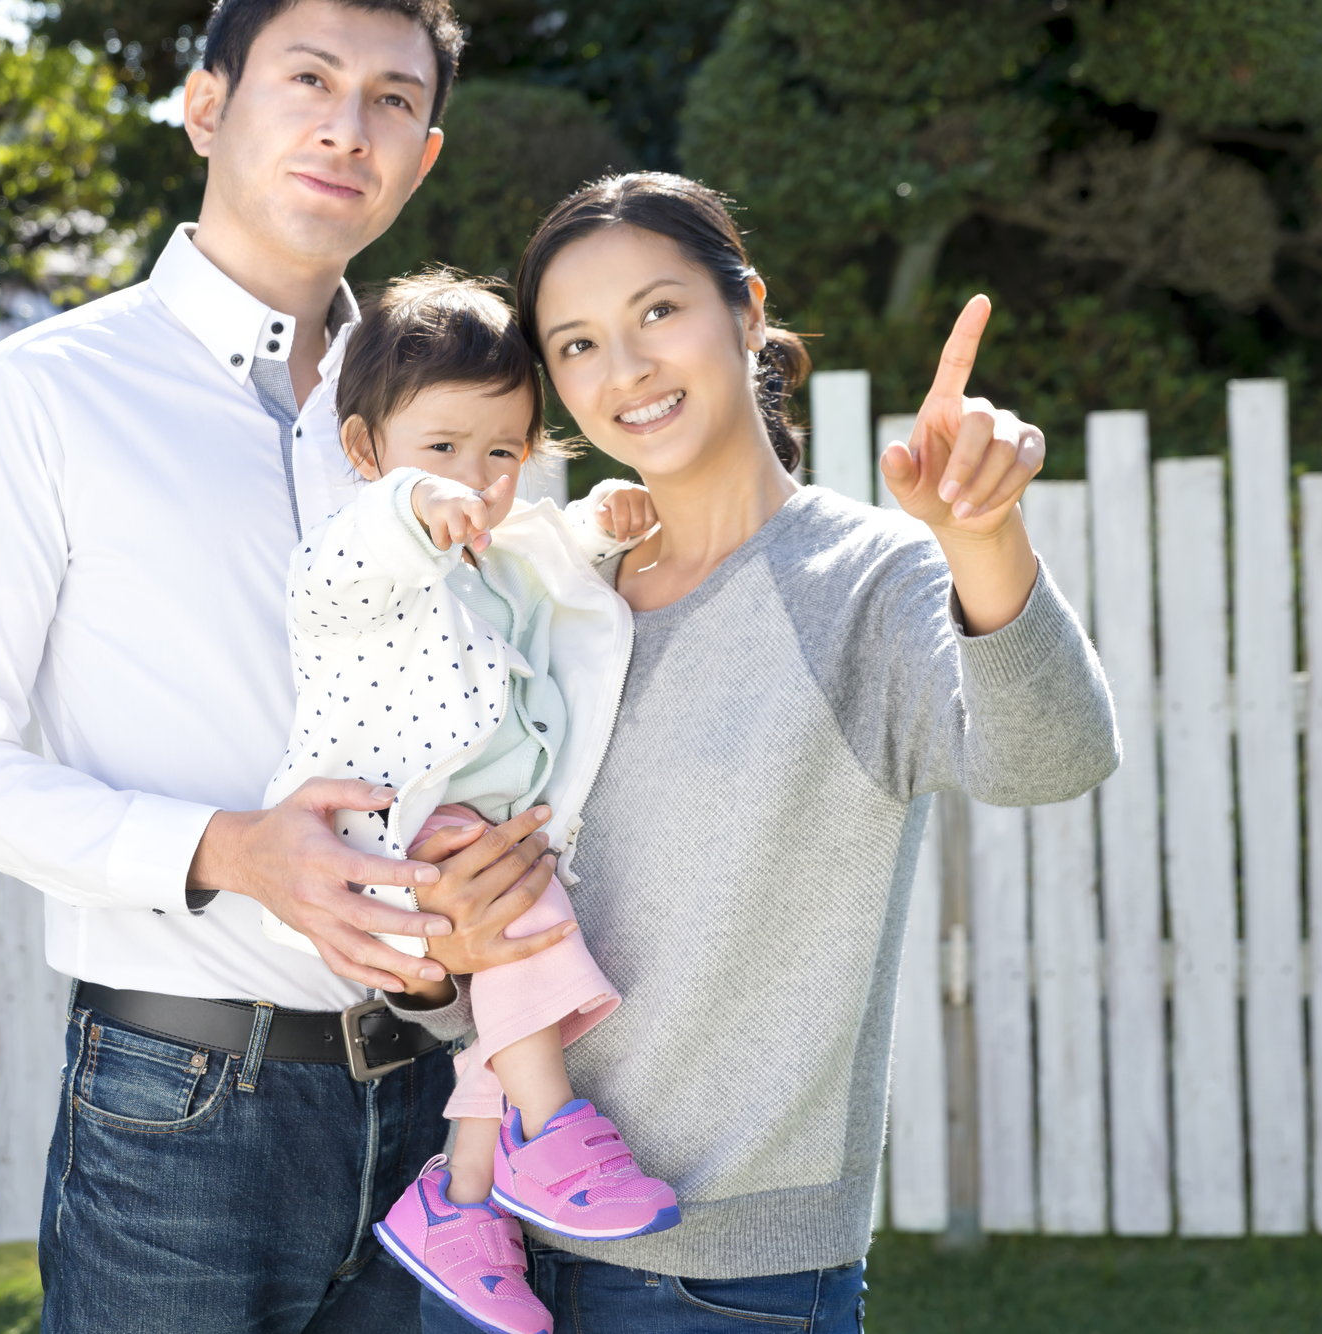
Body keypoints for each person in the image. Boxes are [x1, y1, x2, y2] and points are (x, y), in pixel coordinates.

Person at [0, 4, 575, 1329]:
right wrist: (230, 848)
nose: (345, 123)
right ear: (207, 106)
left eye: (389, 99)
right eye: (307, 78)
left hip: (448, 1105)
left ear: (422, 157)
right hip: (185, 1106)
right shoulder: (44, 394)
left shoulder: (451, 421)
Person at [406, 173, 1121, 1331]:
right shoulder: (548, 598)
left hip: (722, 1282)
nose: (625, 369)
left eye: (657, 312)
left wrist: (982, 537)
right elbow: (491, 943)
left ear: (746, 312)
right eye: (577, 343)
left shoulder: (861, 581)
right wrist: (442, 962)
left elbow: (1053, 755)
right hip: (492, 1258)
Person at [253, 271, 677, 1334]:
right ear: (363, 449)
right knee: (523, 929)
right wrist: (412, 503)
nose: (477, 479)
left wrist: (595, 523)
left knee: (500, 987)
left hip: (476, 826)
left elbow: (544, 564)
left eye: (501, 451)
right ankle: (550, 1126)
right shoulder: (353, 557)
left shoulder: (491, 543)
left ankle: (462, 1195)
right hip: (398, 826)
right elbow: (357, 551)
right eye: (440, 447)